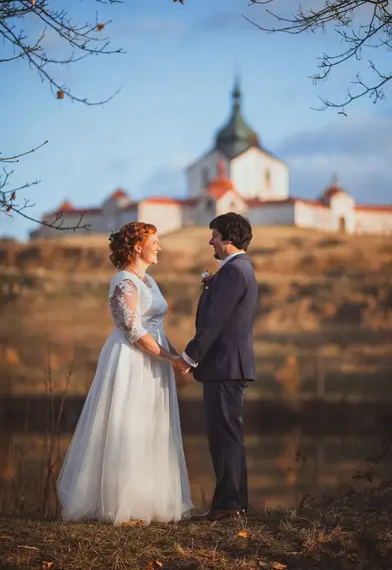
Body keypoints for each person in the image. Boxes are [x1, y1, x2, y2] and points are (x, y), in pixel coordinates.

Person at [57, 222, 192, 525]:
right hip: (131, 360)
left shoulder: (150, 281)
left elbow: (157, 327)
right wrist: (169, 357)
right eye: (153, 242)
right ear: (136, 247)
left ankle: (149, 500)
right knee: (127, 425)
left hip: (154, 359)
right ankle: (120, 505)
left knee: (151, 427)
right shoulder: (123, 281)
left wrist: (177, 355)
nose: (159, 247)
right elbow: (133, 330)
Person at [174, 212, 258, 521]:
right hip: (228, 366)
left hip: (225, 366)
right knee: (229, 436)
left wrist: (188, 357)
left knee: (224, 437)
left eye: (214, 235)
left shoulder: (234, 273)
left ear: (228, 238)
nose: (210, 240)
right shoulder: (238, 270)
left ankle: (228, 506)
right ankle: (235, 504)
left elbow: (214, 322)